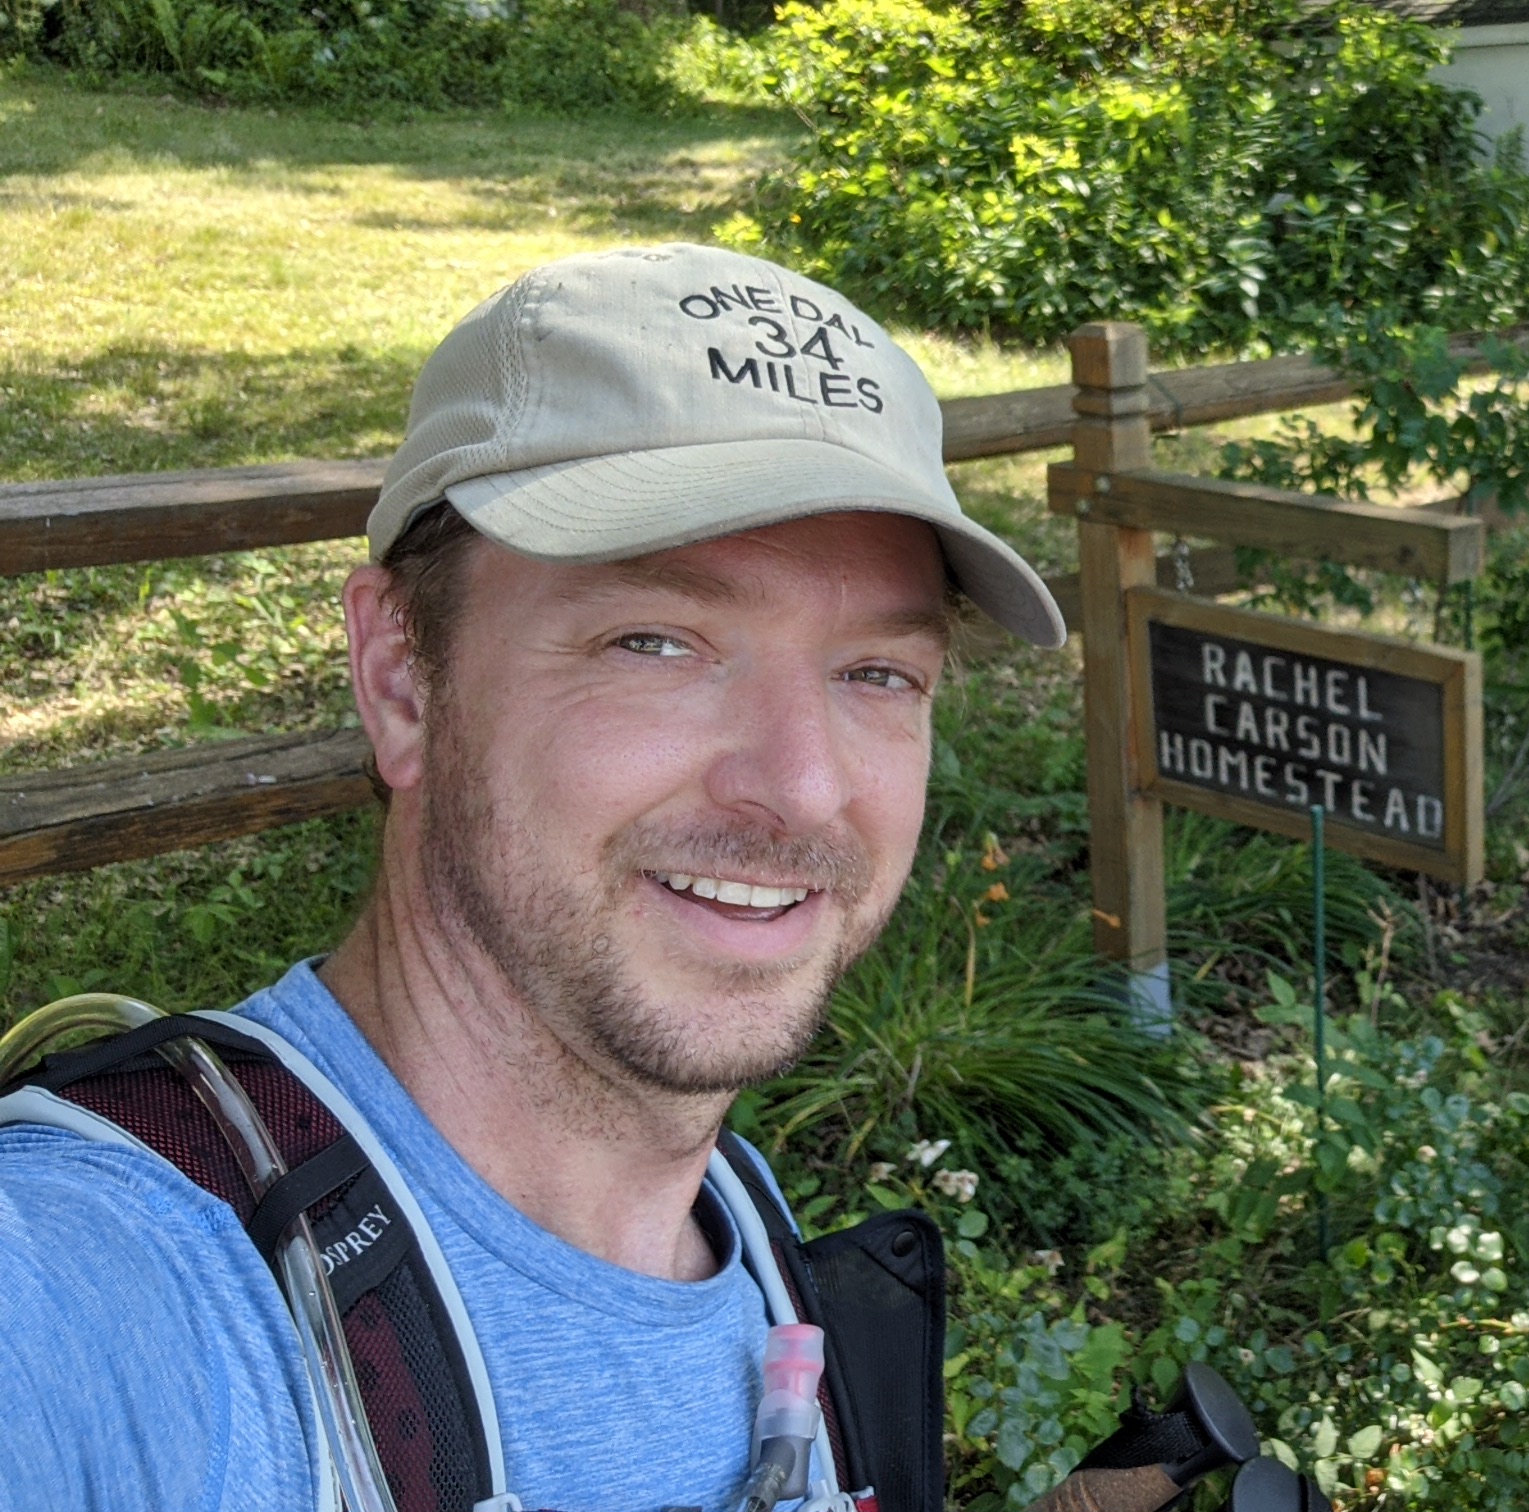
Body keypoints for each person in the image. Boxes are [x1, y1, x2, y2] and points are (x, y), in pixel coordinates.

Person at [0, 244, 1065, 1510]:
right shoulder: (104, 1295)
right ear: (401, 675)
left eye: (877, 674)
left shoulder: (738, 1219)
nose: (805, 788)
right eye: (657, 642)